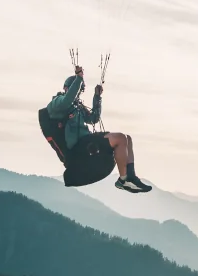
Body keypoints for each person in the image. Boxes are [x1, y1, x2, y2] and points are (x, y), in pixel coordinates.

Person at [46, 65, 151, 193]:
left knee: (126, 139)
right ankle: (123, 180)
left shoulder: (77, 107)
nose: (78, 94)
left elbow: (93, 118)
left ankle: (131, 176)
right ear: (66, 88)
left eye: (80, 91)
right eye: (77, 90)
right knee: (120, 138)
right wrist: (79, 78)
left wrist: (97, 97)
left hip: (87, 140)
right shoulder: (57, 103)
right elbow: (67, 100)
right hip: (77, 146)